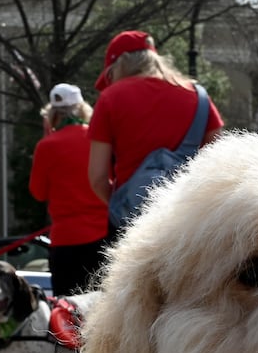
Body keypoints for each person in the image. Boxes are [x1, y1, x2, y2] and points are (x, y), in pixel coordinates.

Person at [87, 30, 223, 234]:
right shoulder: (198, 96)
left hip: (131, 222)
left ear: (119, 66)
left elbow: (97, 178)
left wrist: (123, 203)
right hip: (185, 221)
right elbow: (219, 162)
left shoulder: (110, 98)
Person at [29, 82, 105, 295]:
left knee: (66, 310)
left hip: (65, 240)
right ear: (82, 108)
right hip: (99, 237)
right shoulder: (97, 139)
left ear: (52, 114)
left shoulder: (47, 146)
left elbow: (38, 192)